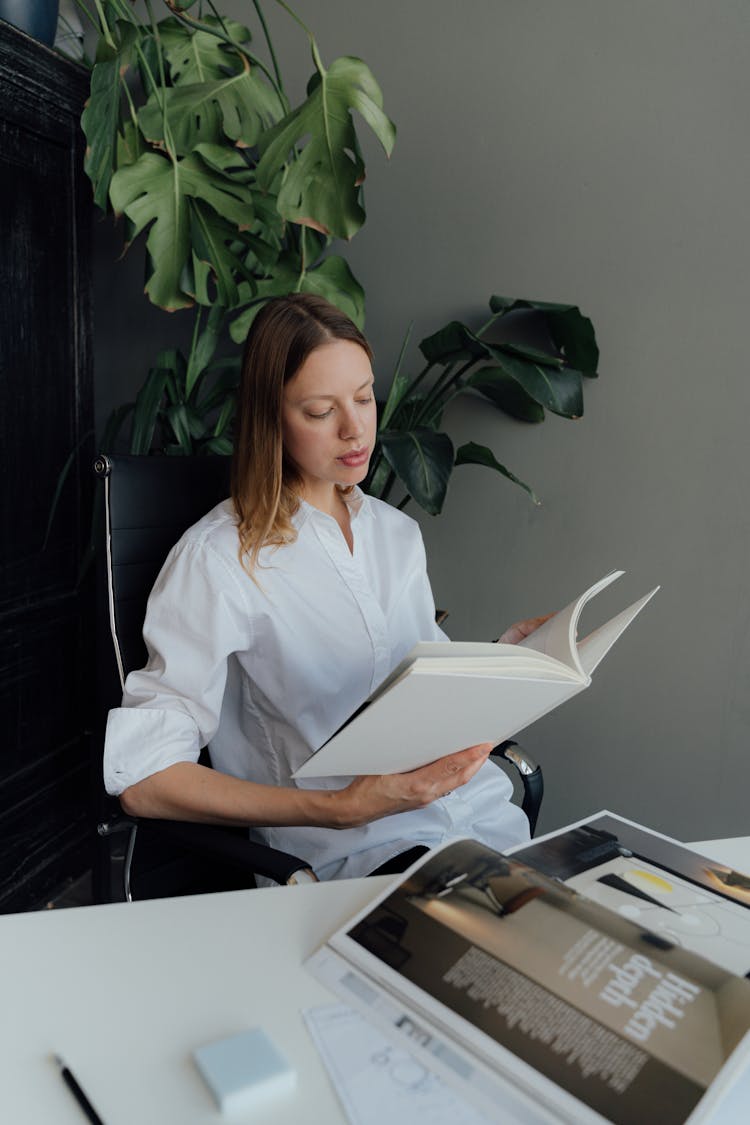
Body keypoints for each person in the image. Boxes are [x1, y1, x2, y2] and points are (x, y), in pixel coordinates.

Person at [103, 294, 547, 881]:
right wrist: (338, 809)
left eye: (364, 397)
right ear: (271, 418)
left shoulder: (394, 534)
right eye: (319, 411)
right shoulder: (217, 561)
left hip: (481, 823)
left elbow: (419, 704)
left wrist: (509, 666)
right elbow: (143, 779)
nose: (354, 427)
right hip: (357, 860)